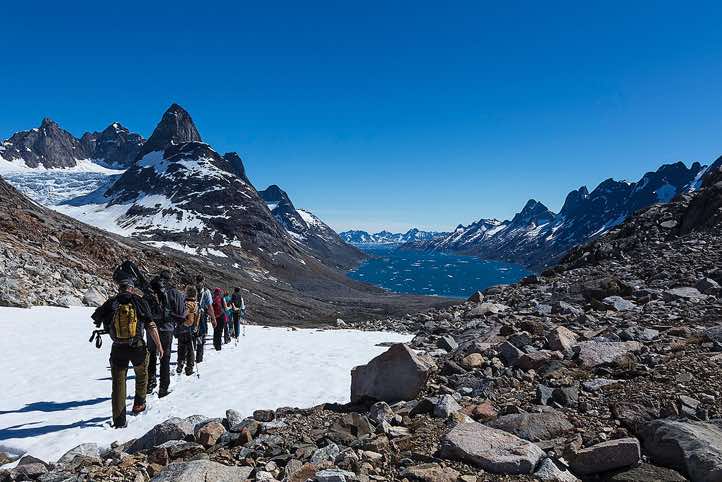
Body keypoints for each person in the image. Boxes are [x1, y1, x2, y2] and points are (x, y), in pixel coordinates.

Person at [92, 278, 162, 428]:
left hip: (118, 348)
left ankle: (119, 421)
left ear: (119, 288)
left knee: (118, 384)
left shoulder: (112, 302)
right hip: (137, 347)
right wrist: (159, 347)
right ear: (131, 288)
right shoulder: (139, 301)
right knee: (142, 375)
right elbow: (151, 325)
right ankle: (139, 404)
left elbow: (96, 318)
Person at [146, 270, 187, 398]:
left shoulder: (150, 291)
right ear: (170, 279)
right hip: (167, 329)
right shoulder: (174, 293)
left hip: (151, 328)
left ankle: (150, 384)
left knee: (151, 355)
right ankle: (163, 388)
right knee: (165, 357)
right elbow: (180, 313)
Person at [176, 286, 200, 376]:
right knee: (191, 349)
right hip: (191, 328)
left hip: (182, 327)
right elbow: (197, 317)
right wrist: (196, 327)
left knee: (181, 346)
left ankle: (180, 363)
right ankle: (189, 367)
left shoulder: (184, 303)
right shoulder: (195, 304)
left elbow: (182, 315)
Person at [194, 275, 216, 363]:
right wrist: (213, 318)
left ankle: (188, 359)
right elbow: (210, 306)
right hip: (201, 315)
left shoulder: (191, 289)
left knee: (191, 336)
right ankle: (199, 358)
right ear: (203, 281)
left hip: (191, 315)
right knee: (200, 336)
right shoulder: (206, 292)